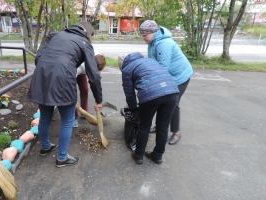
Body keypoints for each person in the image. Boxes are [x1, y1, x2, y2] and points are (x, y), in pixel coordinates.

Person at [27, 21, 102, 168]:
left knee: (45, 116)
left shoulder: (55, 35)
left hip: (42, 76)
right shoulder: (84, 42)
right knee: (67, 120)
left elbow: (38, 58)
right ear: (88, 32)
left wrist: (49, 71)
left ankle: (45, 146)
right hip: (63, 78)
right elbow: (93, 74)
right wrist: (99, 100)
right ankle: (61, 157)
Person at [118, 52, 179, 164]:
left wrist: (134, 109)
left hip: (150, 93)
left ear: (121, 66)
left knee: (144, 126)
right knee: (163, 127)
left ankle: (139, 155)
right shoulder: (151, 61)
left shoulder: (127, 69)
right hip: (172, 91)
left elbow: (129, 94)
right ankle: (158, 156)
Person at [139, 20, 193, 145]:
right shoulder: (152, 42)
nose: (143, 38)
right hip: (169, 75)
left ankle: (176, 132)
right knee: (161, 99)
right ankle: (159, 126)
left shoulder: (164, 43)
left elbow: (163, 68)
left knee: (173, 102)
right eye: (141, 35)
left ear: (153, 32)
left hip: (180, 75)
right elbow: (153, 62)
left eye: (144, 35)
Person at [73, 51, 106, 127]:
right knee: (73, 97)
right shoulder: (81, 66)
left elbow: (96, 83)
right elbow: (70, 83)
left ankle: (85, 113)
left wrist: (98, 101)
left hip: (83, 72)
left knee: (85, 89)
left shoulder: (97, 56)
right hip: (72, 71)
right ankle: (74, 117)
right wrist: (74, 100)